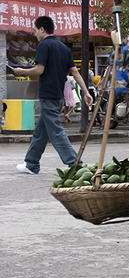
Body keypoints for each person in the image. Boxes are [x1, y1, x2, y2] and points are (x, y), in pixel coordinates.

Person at [13, 15, 93, 174]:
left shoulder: (44, 45)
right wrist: (86, 92)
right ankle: (31, 164)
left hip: (48, 95)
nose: (35, 34)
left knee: (56, 132)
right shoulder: (64, 48)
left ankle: (75, 164)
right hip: (58, 96)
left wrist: (22, 71)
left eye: (35, 30)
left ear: (42, 29)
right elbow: (75, 73)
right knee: (41, 132)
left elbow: (39, 70)